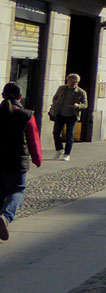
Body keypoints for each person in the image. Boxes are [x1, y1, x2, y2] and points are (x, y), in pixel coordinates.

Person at [0, 82, 42, 241]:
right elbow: (34, 139)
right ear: (20, 96)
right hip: (17, 162)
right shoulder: (26, 115)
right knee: (16, 190)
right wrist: (37, 158)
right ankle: (5, 217)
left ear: (3, 95)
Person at [47, 73, 88, 162]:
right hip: (60, 114)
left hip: (72, 116)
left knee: (70, 135)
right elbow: (55, 97)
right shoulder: (62, 88)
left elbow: (85, 104)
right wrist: (55, 105)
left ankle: (67, 154)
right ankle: (59, 150)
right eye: (71, 81)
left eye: (75, 82)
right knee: (56, 133)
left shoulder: (81, 92)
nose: (73, 83)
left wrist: (78, 106)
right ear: (67, 80)